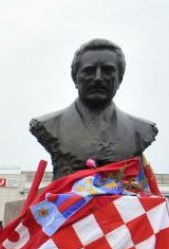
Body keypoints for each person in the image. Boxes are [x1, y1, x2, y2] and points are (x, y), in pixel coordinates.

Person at [30, 38, 158, 179]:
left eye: (107, 71)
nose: (98, 78)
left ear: (119, 79)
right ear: (75, 78)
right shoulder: (49, 125)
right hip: (69, 200)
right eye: (89, 70)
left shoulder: (141, 131)